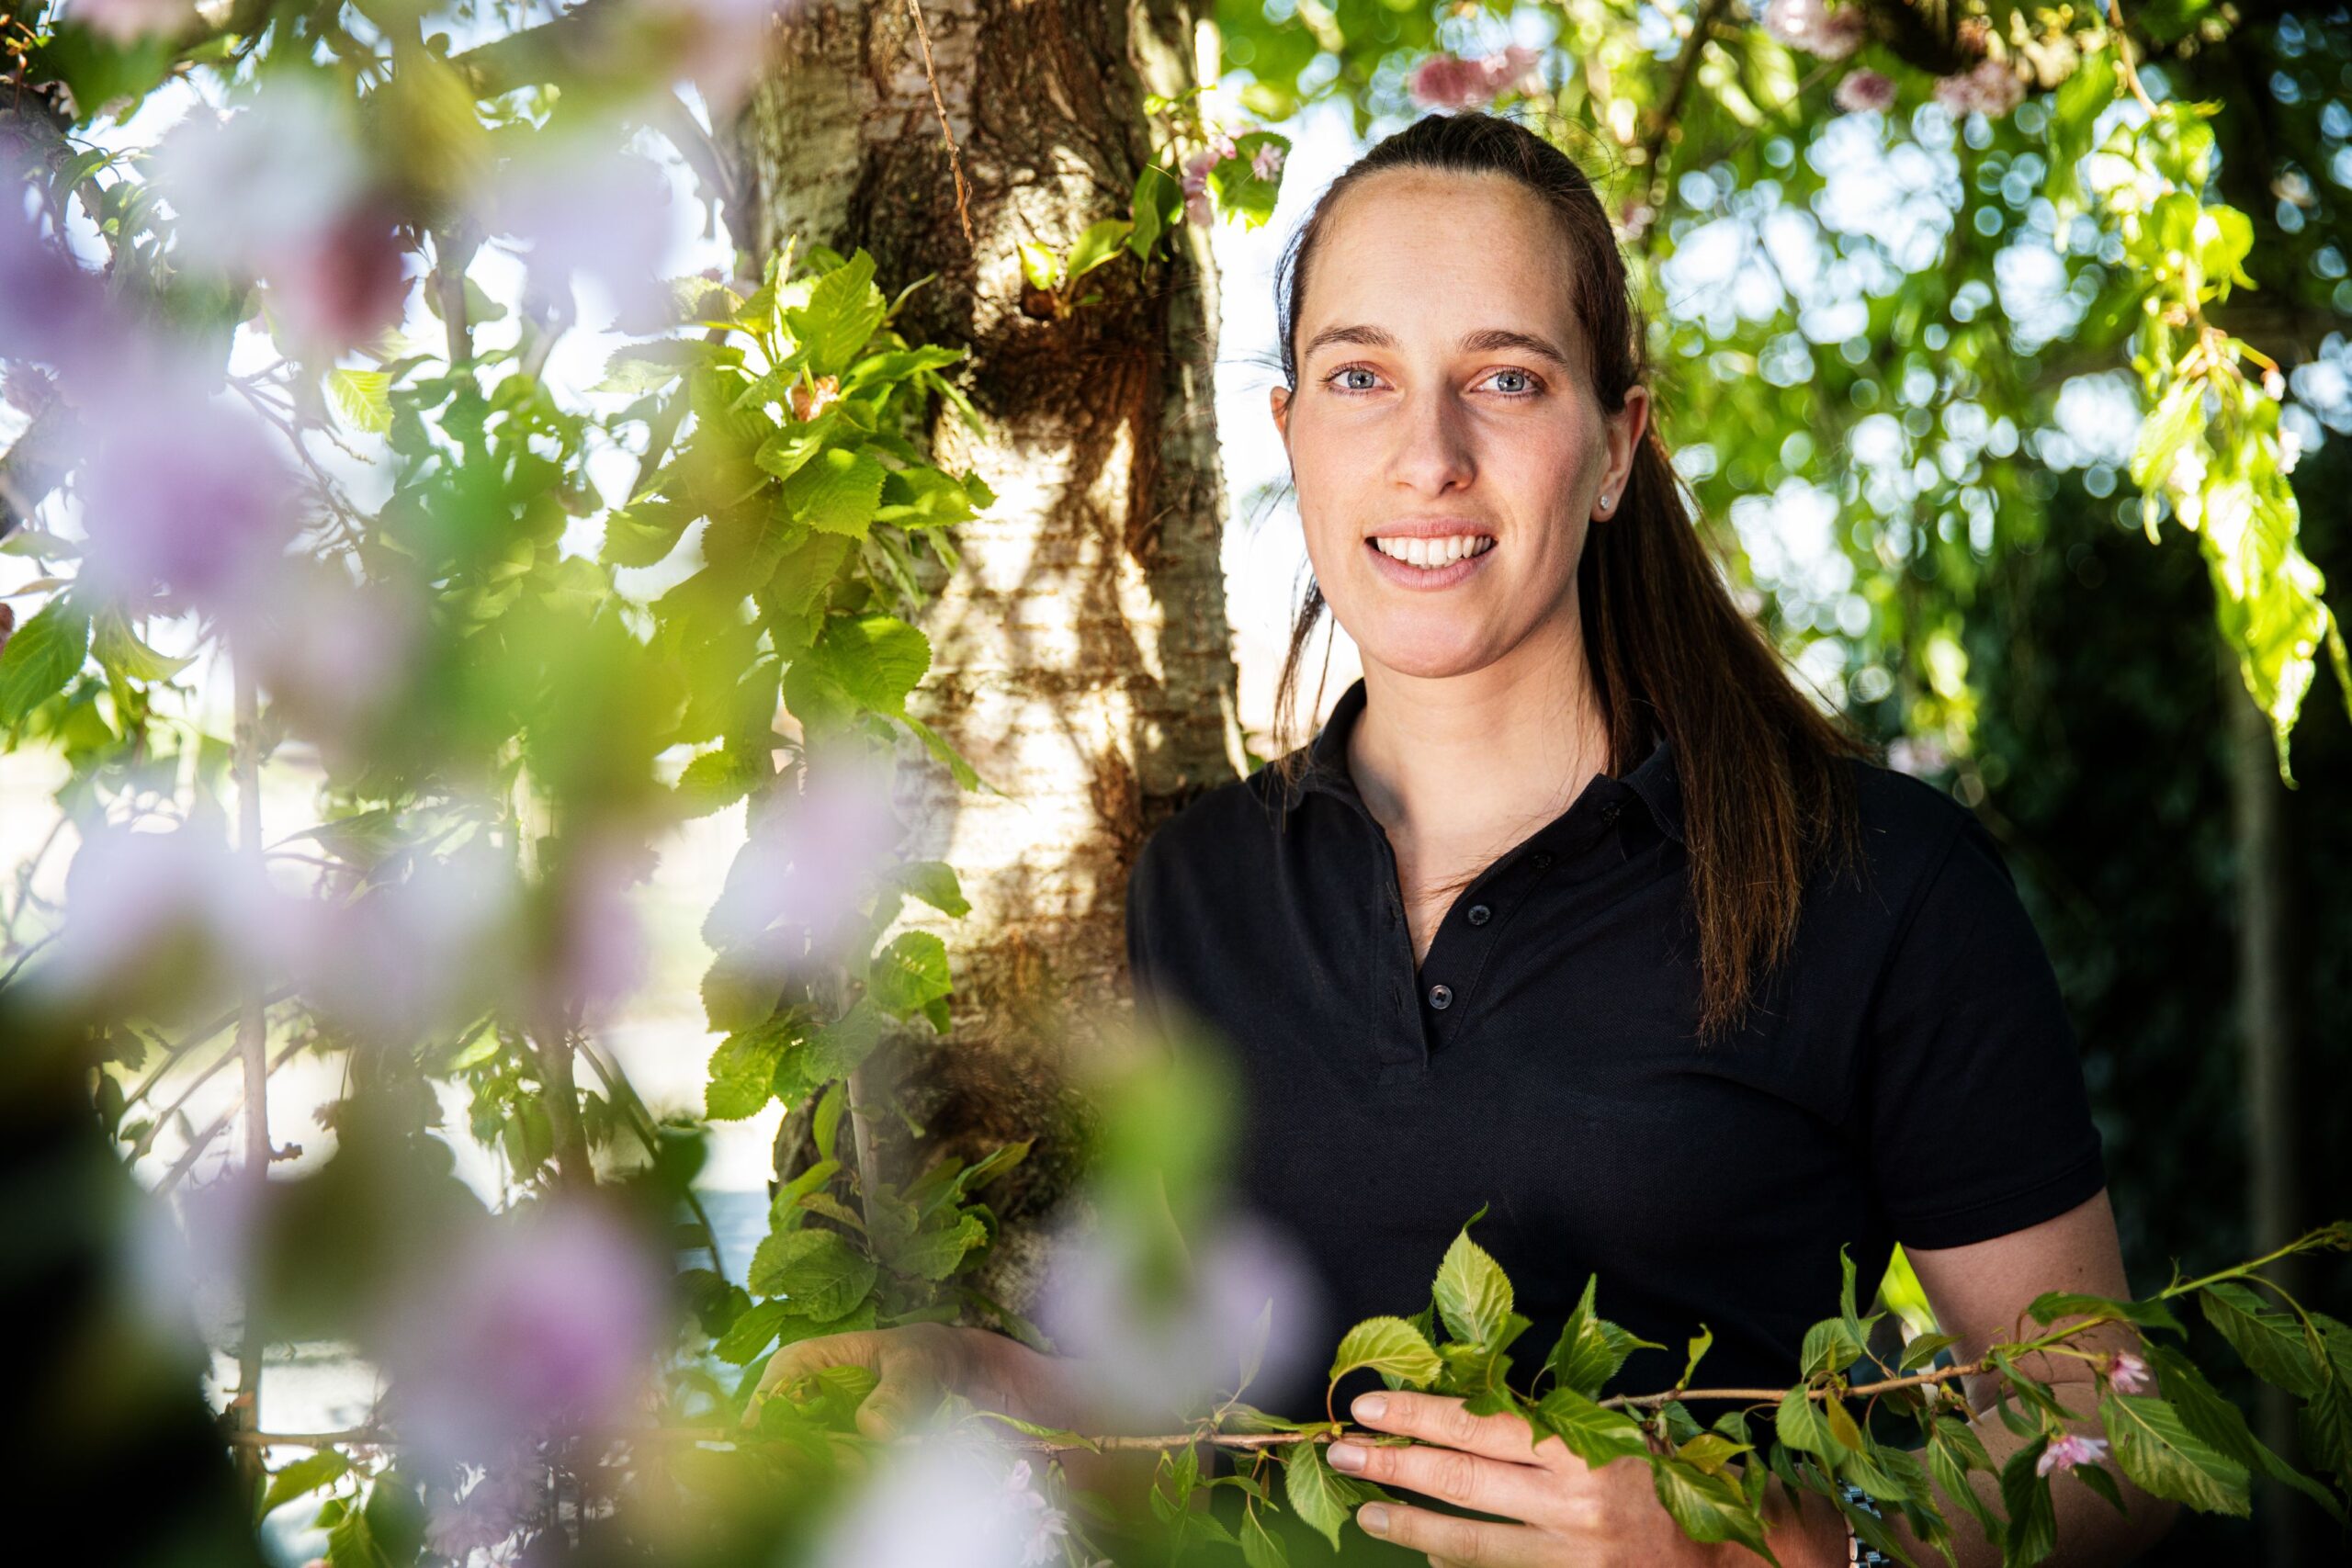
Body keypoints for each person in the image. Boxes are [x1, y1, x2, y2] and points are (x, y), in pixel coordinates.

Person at [757, 111, 2175, 1566]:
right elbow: (1252, 1443)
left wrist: (1775, 1547)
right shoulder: (1202, 892)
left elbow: (2107, 1437)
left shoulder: (1878, 879)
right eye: (1360, 376)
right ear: (1290, 434)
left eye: (1505, 378)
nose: (1427, 455)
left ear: (1616, 445)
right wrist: (983, 1390)